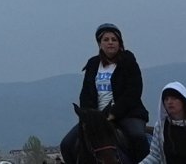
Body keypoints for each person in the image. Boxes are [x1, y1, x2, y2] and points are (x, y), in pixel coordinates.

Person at [58, 24, 149, 164]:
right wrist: (89, 115)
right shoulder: (93, 64)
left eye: (114, 39)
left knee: (138, 137)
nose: (110, 42)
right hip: (96, 117)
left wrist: (114, 113)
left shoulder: (128, 61)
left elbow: (134, 91)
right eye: (106, 39)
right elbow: (86, 93)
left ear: (120, 43)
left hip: (126, 114)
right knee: (66, 144)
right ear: (100, 44)